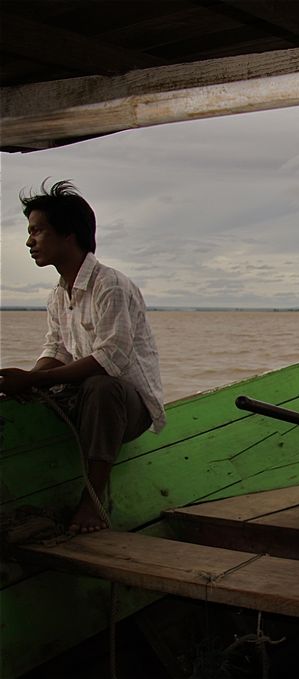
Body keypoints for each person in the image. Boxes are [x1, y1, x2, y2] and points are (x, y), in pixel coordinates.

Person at [0, 180, 165, 534]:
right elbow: (56, 350)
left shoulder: (111, 285)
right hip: (85, 399)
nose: (29, 242)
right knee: (22, 397)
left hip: (124, 409)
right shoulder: (58, 295)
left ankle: (93, 501)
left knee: (101, 386)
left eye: (38, 231)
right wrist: (27, 381)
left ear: (69, 235)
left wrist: (34, 379)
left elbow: (111, 359)